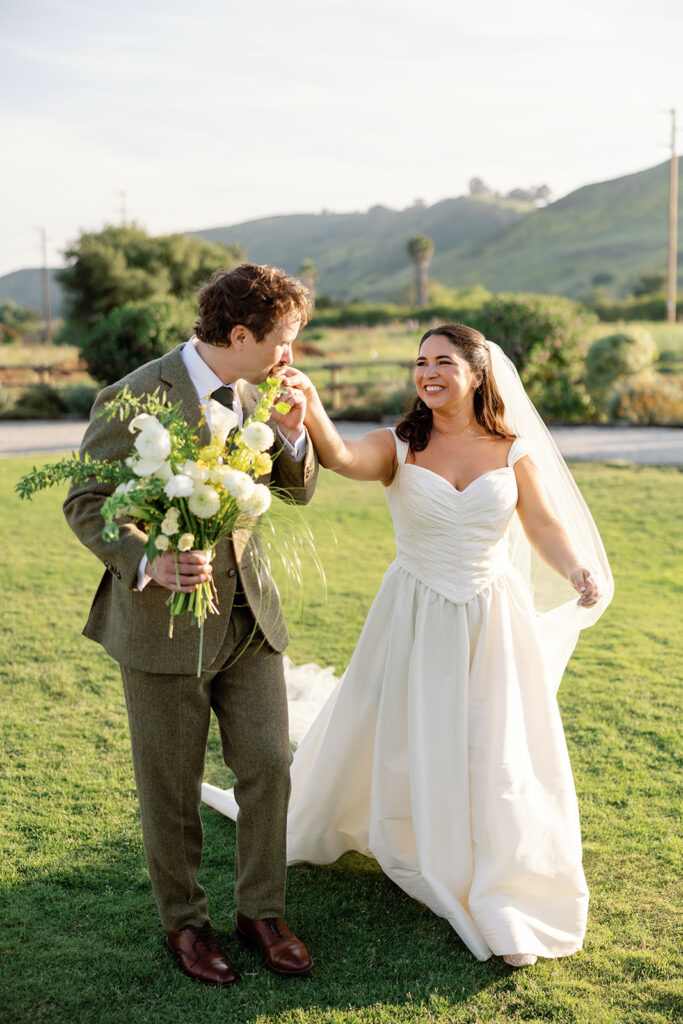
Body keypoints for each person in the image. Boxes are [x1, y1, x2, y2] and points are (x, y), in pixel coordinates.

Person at [203, 323, 614, 968]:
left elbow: (542, 524)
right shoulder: (398, 446)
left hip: (489, 616)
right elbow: (340, 459)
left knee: (491, 736)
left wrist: (575, 570)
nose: (428, 372)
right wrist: (309, 408)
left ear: (476, 374)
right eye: (420, 361)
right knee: (403, 727)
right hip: (415, 607)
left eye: (443, 362)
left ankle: (491, 861)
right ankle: (414, 832)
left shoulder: (510, 449)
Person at [63, 264, 319, 988]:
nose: (289, 356)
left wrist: (293, 437)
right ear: (238, 335)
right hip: (160, 626)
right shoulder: (134, 395)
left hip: (247, 618)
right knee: (171, 788)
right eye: (282, 341)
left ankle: (260, 912)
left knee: (268, 764)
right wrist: (149, 562)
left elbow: (291, 491)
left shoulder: (258, 390)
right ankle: (186, 925)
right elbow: (87, 498)